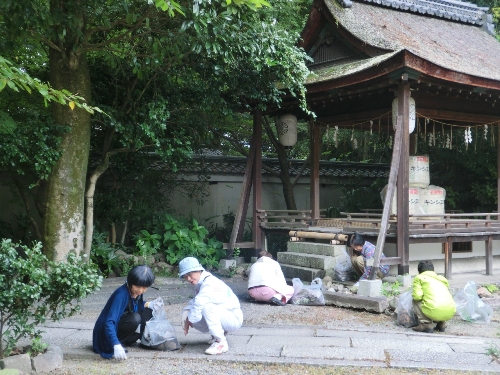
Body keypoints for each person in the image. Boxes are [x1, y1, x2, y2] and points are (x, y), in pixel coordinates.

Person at [93, 265, 163, 360]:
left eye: (144, 287)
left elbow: (134, 305)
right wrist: (115, 344)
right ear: (131, 282)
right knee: (135, 318)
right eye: (138, 286)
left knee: (150, 312)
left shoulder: (136, 292)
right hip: (105, 338)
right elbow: (109, 322)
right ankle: (119, 343)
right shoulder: (121, 295)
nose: (141, 290)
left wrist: (149, 304)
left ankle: (141, 338)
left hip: (120, 326)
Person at [180, 257, 243, 355]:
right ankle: (217, 334)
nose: (188, 279)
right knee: (190, 312)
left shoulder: (209, 282)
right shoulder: (201, 282)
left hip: (233, 318)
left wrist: (190, 319)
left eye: (190, 274)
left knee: (206, 307)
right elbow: (195, 302)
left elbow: (199, 302)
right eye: (185, 276)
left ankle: (221, 342)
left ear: (199, 270)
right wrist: (186, 314)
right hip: (225, 315)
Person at [411, 260, 456, 333]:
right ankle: (441, 323)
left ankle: (426, 324)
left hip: (435, 309)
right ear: (433, 270)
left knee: (415, 300)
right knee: (440, 298)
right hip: (450, 312)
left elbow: (417, 296)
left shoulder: (419, 278)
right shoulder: (442, 279)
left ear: (419, 271)